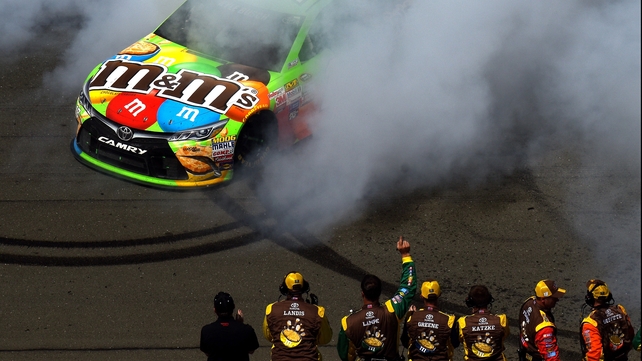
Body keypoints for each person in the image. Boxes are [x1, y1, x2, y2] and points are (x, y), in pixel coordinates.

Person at [337, 236, 417, 361]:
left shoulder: (348, 323)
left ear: (362, 293)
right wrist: (405, 254)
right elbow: (408, 286)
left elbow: (345, 355)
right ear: (380, 292)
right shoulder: (393, 310)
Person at [263, 271, 332, 360]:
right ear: (304, 288)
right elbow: (325, 339)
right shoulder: (317, 311)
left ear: (283, 288)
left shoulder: (271, 309)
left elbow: (268, 336)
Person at [401, 279, 459, 361]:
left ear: (421, 296)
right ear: (439, 295)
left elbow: (404, 341)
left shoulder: (412, 317)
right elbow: (455, 343)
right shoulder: (448, 320)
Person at [580, 279, 634, 361]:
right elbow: (630, 334)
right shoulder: (620, 310)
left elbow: (594, 356)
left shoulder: (591, 323)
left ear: (590, 298)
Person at [200, 291, 260, 361]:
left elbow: (207, 352)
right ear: (233, 307)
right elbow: (251, 350)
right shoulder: (246, 330)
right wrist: (239, 324)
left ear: (215, 310)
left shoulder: (207, 331)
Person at [458, 285, 509, 361]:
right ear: (489, 300)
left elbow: (460, 340)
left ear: (469, 301)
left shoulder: (463, 322)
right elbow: (504, 335)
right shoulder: (501, 320)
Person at [518, 279, 565, 361]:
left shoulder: (529, 302)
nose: (557, 300)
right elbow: (551, 357)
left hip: (525, 352)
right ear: (543, 299)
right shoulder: (544, 328)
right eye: (553, 298)